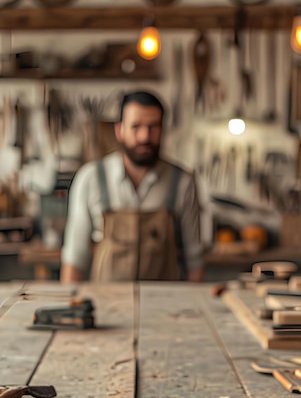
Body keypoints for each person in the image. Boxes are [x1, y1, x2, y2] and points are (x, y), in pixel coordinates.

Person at [60, 90, 204, 283]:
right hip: (105, 306)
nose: (145, 136)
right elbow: (75, 259)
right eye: (136, 127)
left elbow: (194, 262)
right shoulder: (90, 178)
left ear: (162, 130)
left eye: (153, 127)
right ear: (119, 130)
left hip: (168, 309)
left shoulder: (183, 183)